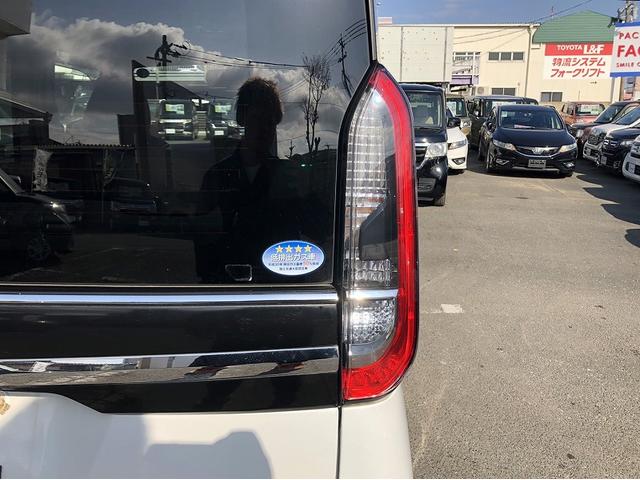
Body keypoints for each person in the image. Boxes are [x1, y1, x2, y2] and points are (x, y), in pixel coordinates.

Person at [194, 77, 305, 283]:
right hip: (225, 290)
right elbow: (203, 246)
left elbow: (310, 235)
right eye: (257, 119)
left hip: (280, 290)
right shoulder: (216, 176)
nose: (264, 129)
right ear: (242, 120)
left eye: (270, 121)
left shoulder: (287, 175)